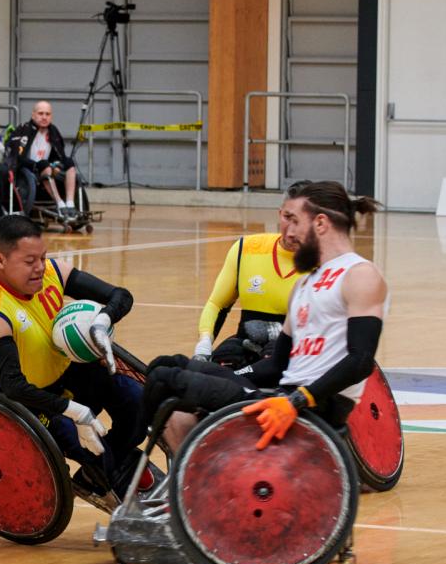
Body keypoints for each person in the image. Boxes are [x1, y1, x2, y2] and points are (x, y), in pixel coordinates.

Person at [141, 181, 386, 453]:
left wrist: (298, 400)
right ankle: (187, 471)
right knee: (168, 364)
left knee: (165, 378)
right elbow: (275, 365)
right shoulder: (304, 286)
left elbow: (361, 361)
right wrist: (229, 375)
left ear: (320, 223)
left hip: (315, 406)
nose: (287, 232)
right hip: (281, 393)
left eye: (294, 221)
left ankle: (157, 474)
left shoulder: (359, 274)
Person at [0, 214, 144, 501]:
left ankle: (95, 476)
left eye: (43, 257)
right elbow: (13, 386)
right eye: (29, 261)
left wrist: (104, 320)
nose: (39, 268)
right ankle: (104, 471)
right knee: (94, 450)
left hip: (67, 372)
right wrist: (76, 411)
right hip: (29, 397)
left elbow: (121, 296)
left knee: (139, 405)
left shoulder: (52, 271)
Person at [193, 218, 302, 370]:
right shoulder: (246, 248)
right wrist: (204, 344)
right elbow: (216, 304)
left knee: (274, 357)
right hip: (245, 347)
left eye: (300, 221)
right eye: (288, 217)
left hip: (294, 353)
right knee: (225, 355)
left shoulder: (324, 262)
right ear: (280, 213)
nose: (291, 231)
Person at [6, 100, 78, 217]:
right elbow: (17, 157)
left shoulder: (53, 131)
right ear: (33, 115)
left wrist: (57, 165)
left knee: (69, 162)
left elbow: (60, 155)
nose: (44, 117)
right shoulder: (23, 130)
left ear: (51, 116)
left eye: (47, 114)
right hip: (29, 170)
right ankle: (60, 204)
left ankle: (70, 203)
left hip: (48, 168)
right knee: (44, 164)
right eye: (40, 114)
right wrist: (36, 165)